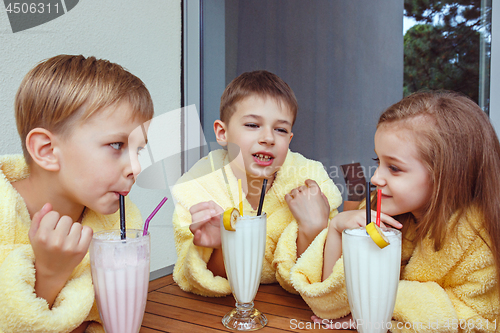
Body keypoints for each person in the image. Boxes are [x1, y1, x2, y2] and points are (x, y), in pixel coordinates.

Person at [292, 91, 500, 331]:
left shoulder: (481, 241)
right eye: (377, 162)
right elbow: (329, 304)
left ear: (448, 175)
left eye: (394, 168)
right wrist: (338, 228)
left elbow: (476, 322)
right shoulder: (374, 213)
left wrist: (379, 309)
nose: (375, 177)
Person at [0, 55, 154, 333]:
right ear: (47, 151)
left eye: (138, 150)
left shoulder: (123, 220)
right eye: (117, 144)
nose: (136, 167)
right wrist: (50, 273)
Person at [172, 70, 343, 297]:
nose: (268, 138)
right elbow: (197, 277)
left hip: (290, 309)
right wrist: (221, 247)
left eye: (280, 130)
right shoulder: (200, 185)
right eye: (253, 125)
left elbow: (323, 278)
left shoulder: (309, 179)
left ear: (289, 139)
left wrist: (313, 228)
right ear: (222, 132)